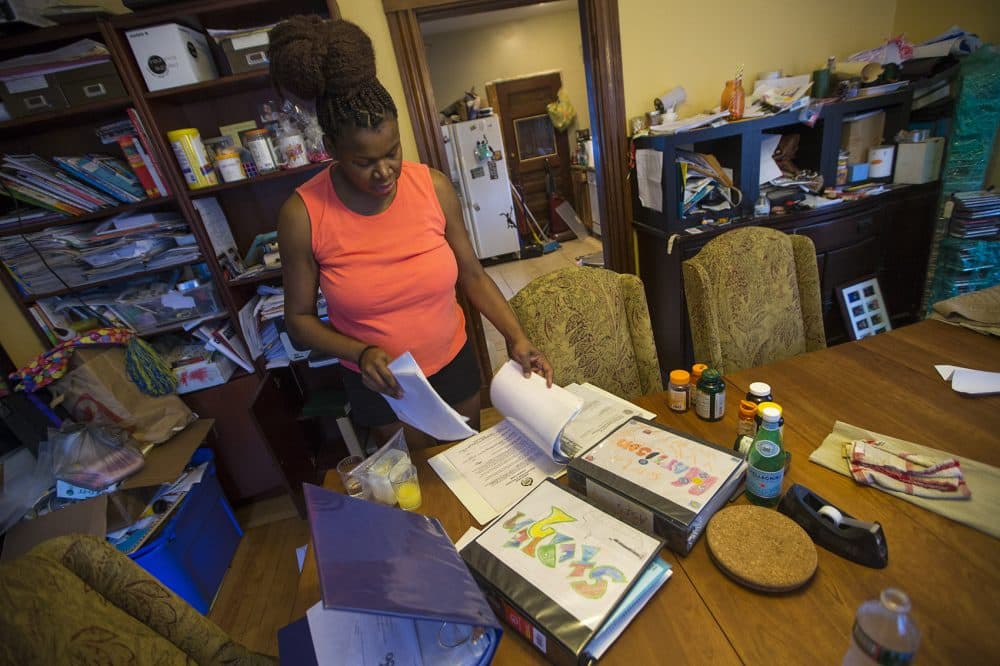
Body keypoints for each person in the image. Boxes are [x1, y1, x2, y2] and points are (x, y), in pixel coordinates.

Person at [270, 16, 553, 449]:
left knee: (469, 466)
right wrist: (359, 353)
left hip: (453, 362)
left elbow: (472, 276)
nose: (385, 171)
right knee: (420, 486)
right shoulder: (302, 215)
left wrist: (517, 338)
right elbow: (299, 320)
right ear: (331, 150)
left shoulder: (433, 187)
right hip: (381, 382)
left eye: (392, 152)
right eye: (364, 162)